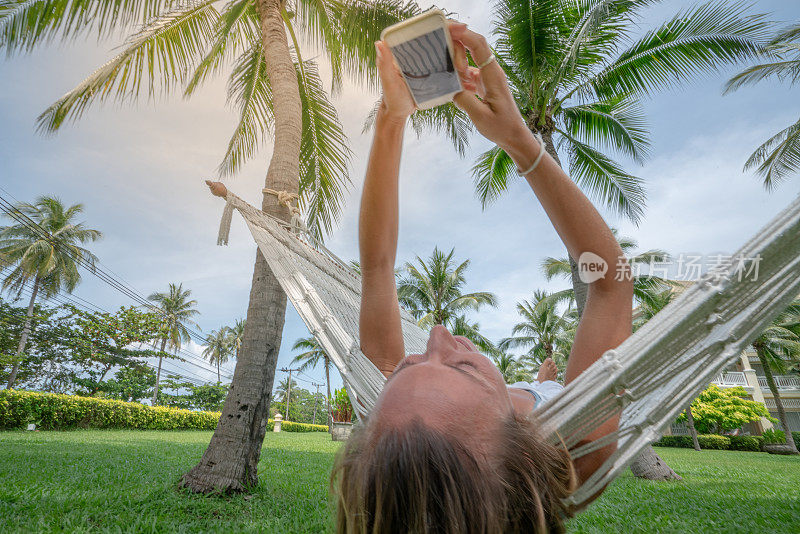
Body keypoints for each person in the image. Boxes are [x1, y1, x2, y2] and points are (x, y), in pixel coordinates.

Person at [331, 21, 633, 534]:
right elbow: (610, 280)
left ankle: (540, 383)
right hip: (551, 402)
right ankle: (543, 385)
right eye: (463, 368)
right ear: (521, 450)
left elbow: (377, 270)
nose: (436, 335)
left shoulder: (400, 426)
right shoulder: (573, 449)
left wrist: (392, 118)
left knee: (532, 381)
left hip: (534, 394)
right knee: (546, 384)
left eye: (407, 365)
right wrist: (516, 137)